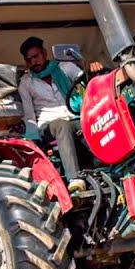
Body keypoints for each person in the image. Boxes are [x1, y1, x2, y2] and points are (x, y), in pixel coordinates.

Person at [17, 36, 83, 179]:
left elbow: (84, 78)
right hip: (48, 125)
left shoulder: (64, 67)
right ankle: (75, 180)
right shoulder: (26, 83)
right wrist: (34, 141)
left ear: (44, 53)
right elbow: (29, 115)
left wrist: (93, 68)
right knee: (62, 125)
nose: (34, 61)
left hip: (74, 115)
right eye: (29, 60)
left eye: (36, 56)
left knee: (95, 121)